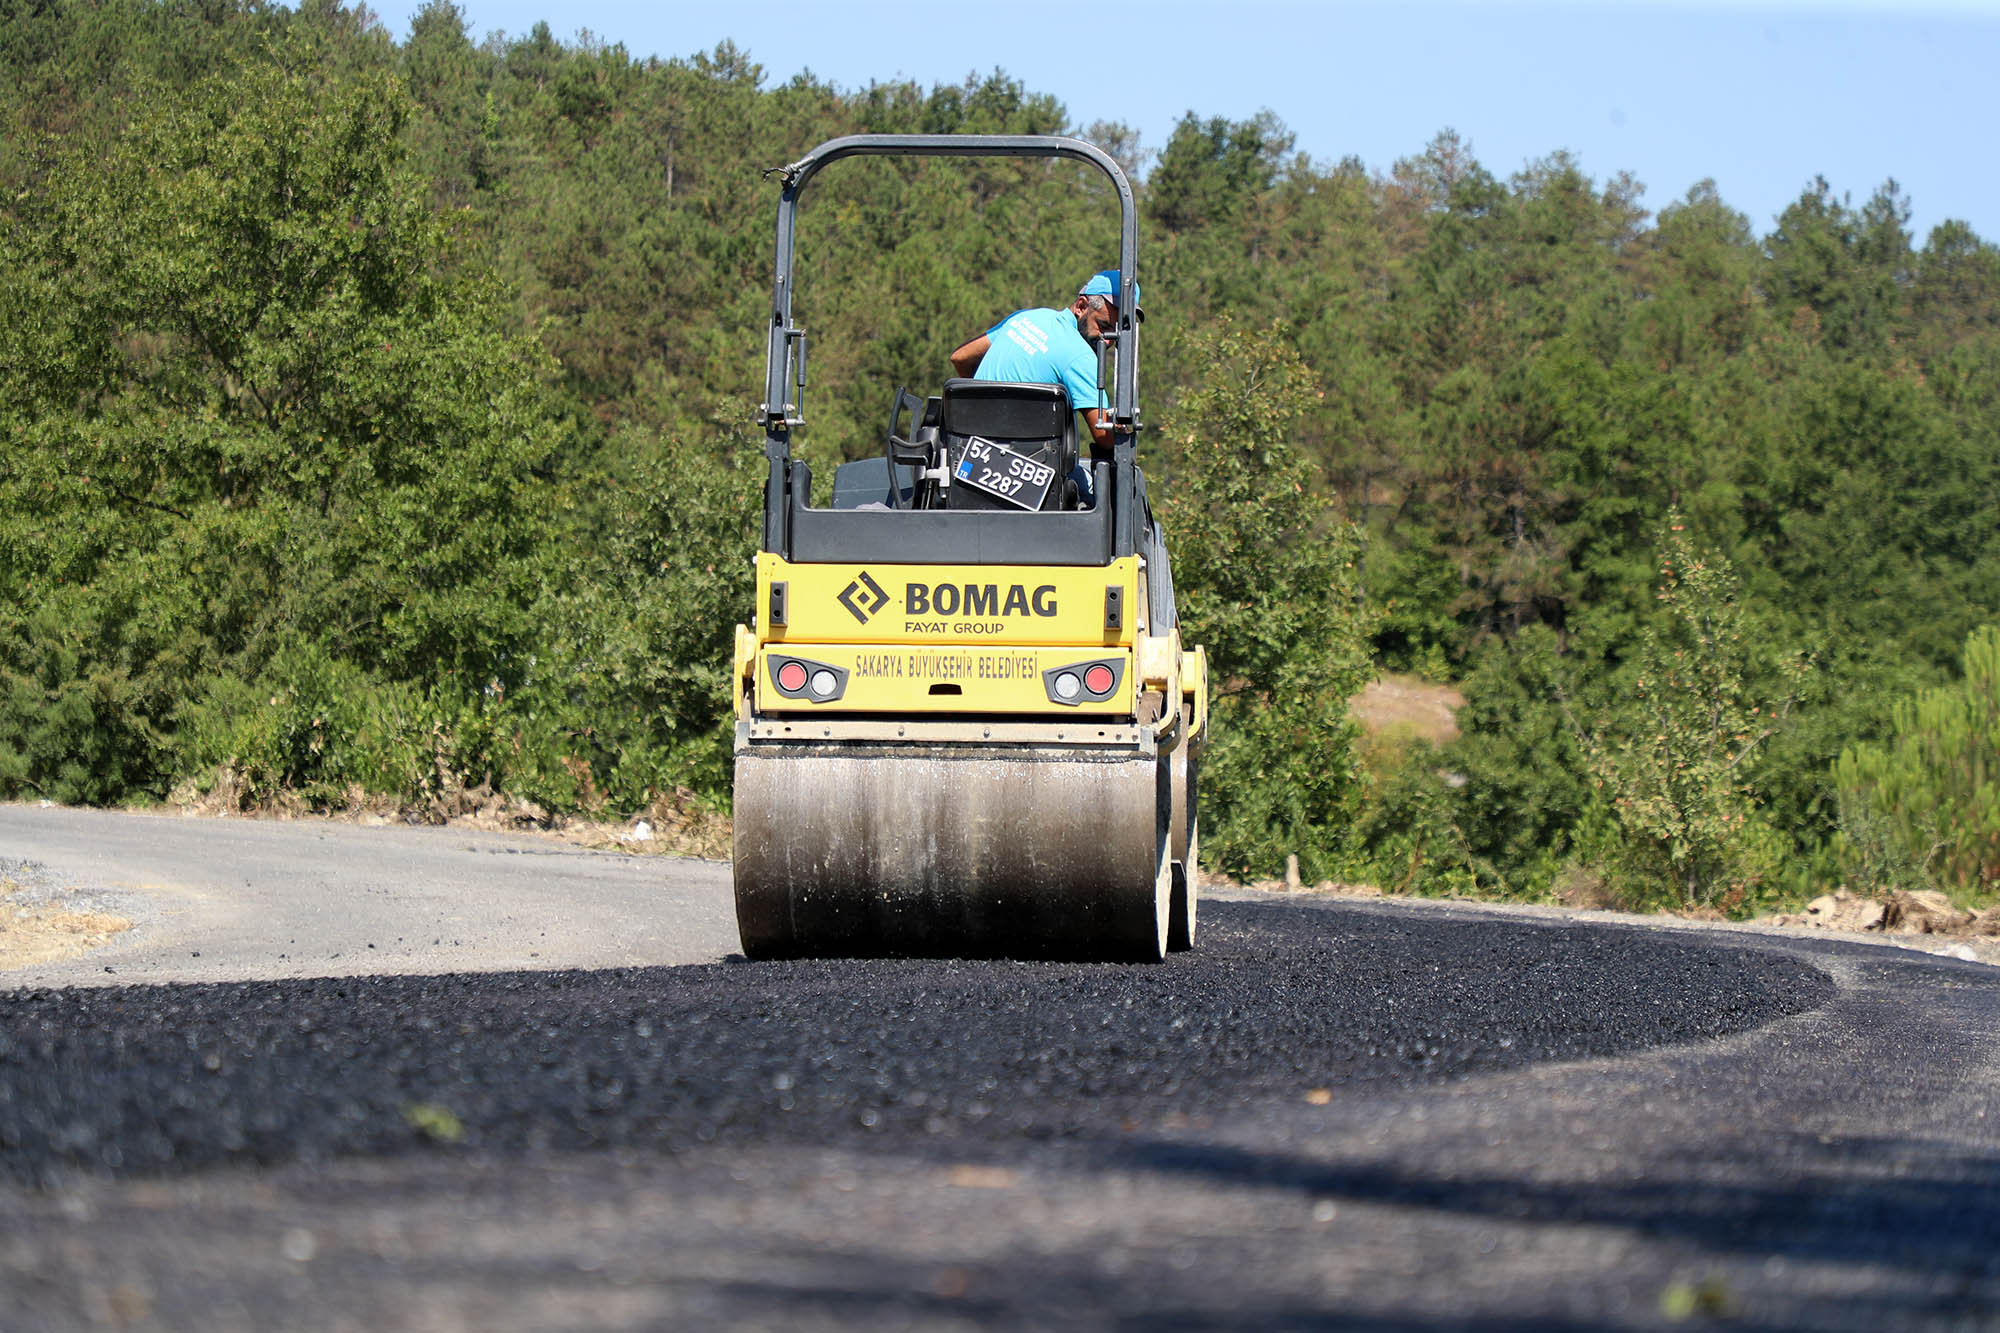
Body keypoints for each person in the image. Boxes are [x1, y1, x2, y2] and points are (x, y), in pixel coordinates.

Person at [947, 271, 1136, 501]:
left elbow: (960, 357)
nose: (1107, 341)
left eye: (1114, 334)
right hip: (1033, 474)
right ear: (1081, 305)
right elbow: (1105, 437)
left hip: (971, 456)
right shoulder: (1081, 356)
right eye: (1104, 326)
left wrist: (983, 402)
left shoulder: (1025, 319)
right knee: (1102, 494)